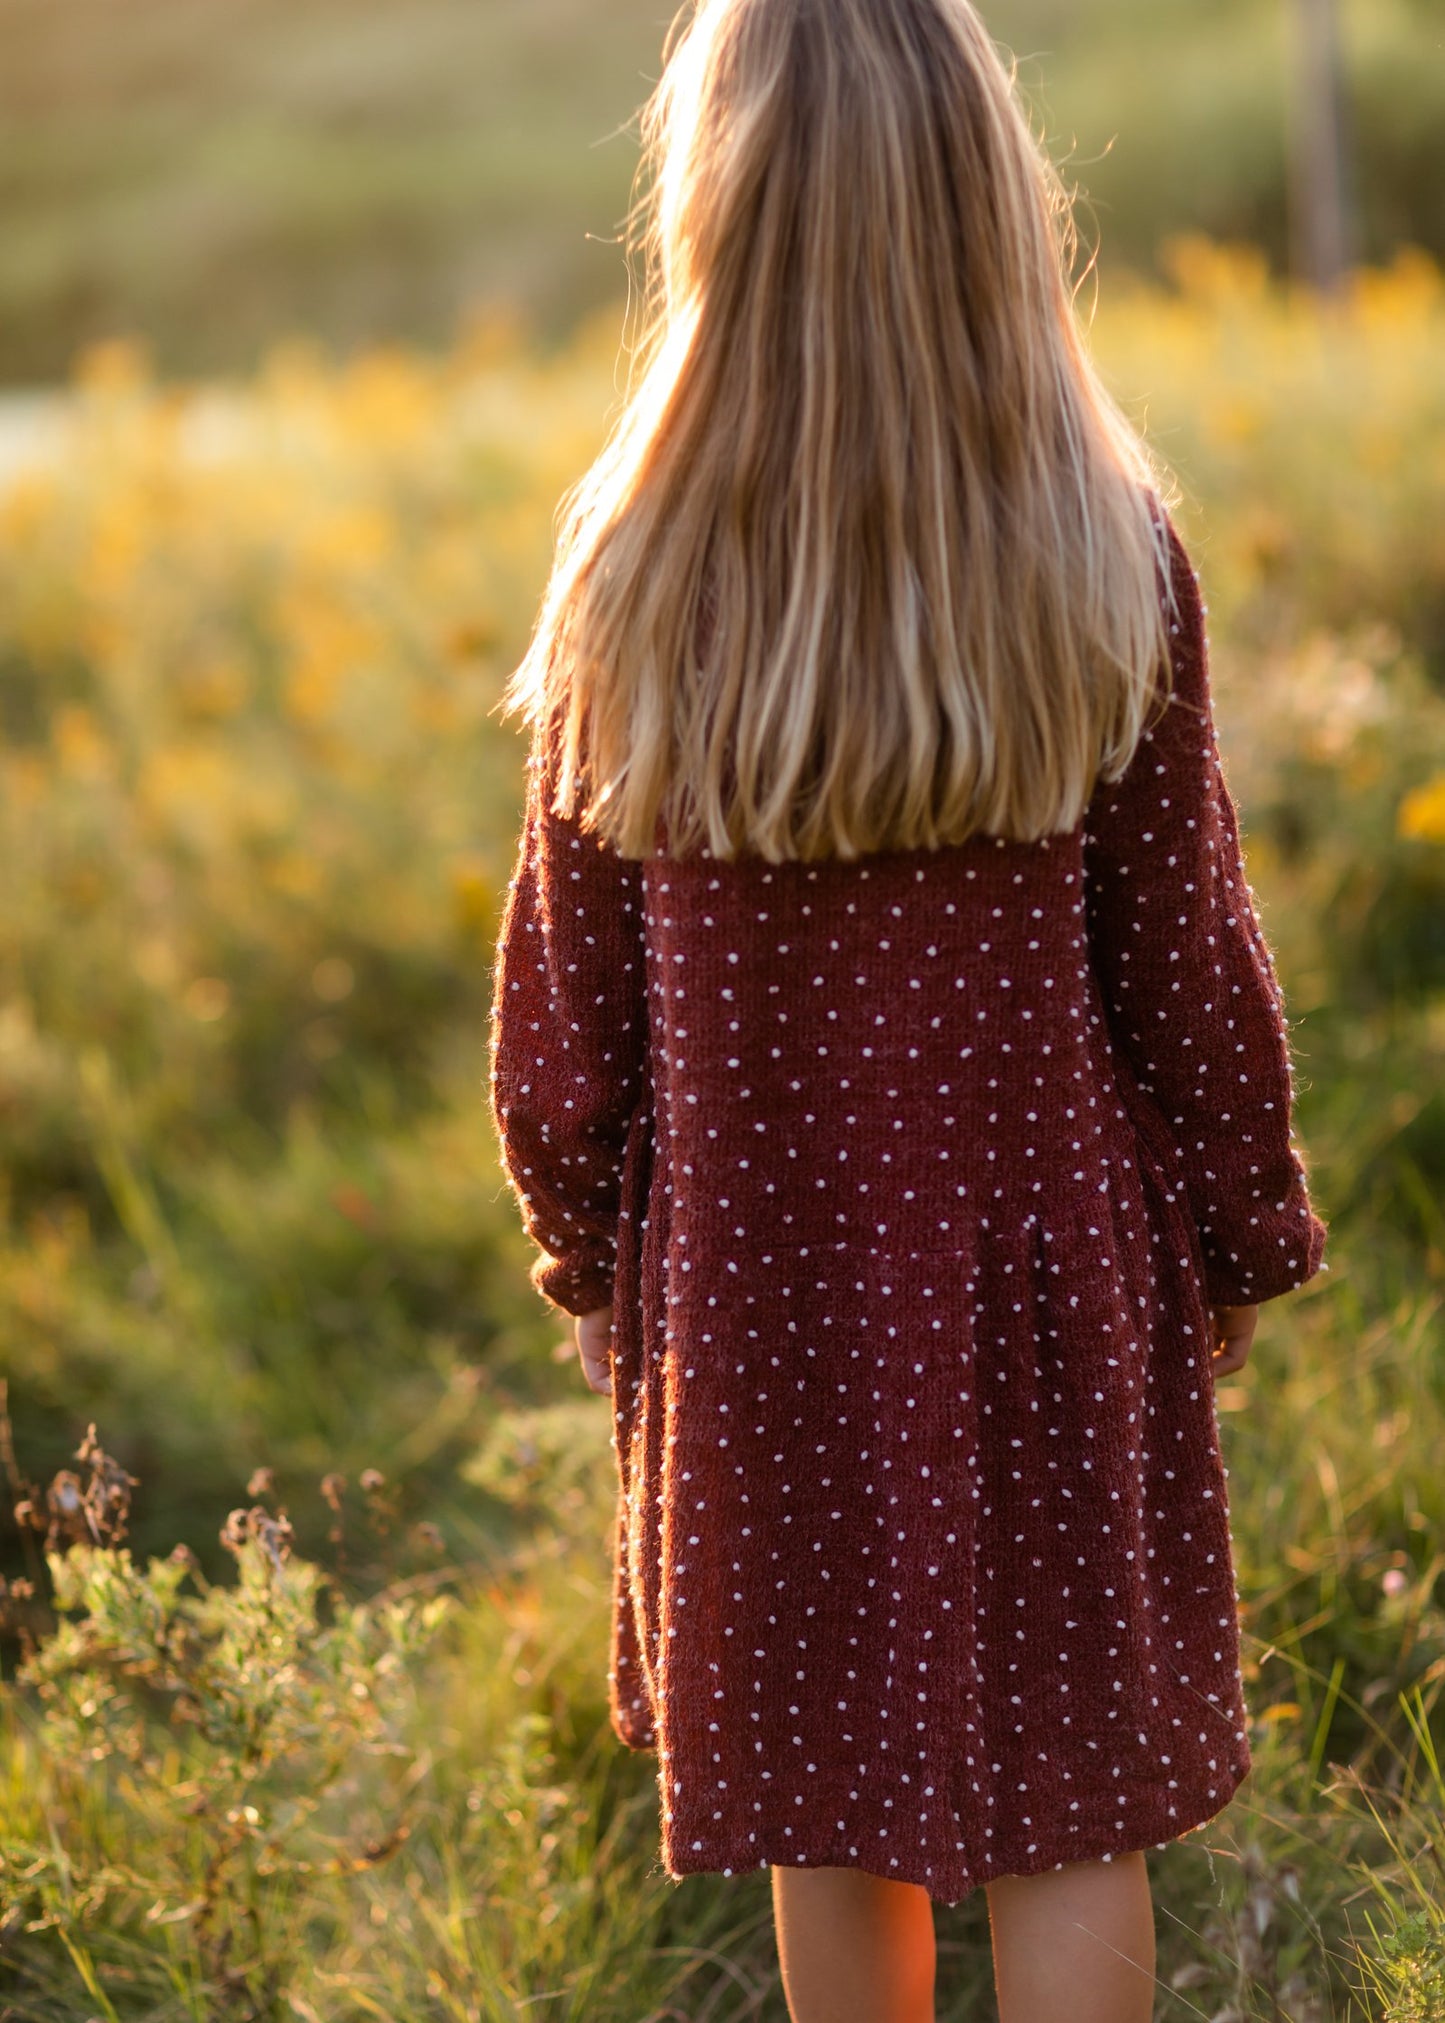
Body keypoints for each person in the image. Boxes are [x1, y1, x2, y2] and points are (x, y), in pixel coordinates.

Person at [487, 0, 1329, 2016]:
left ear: (715, 209)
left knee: (824, 1798)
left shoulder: (631, 568)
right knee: (1070, 1797)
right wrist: (1235, 1229)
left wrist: (586, 1231)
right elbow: (1184, 946)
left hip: (759, 1293)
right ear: (990, 207)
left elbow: (563, 982)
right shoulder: (1099, 545)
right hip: (1047, 1275)